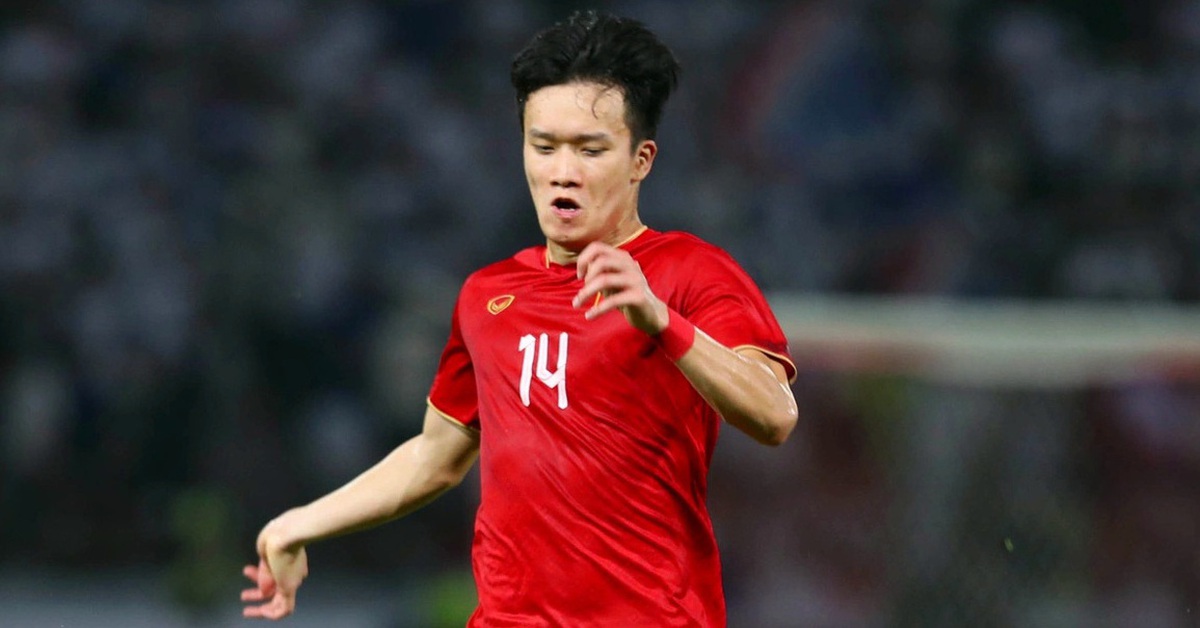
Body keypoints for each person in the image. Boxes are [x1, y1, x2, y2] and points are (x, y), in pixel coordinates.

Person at [239, 10, 798, 626]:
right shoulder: (488, 295)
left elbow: (775, 415)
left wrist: (661, 321)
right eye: (544, 146)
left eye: (591, 150)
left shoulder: (691, 272)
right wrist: (299, 524)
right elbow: (435, 458)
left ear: (640, 160)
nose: (563, 172)